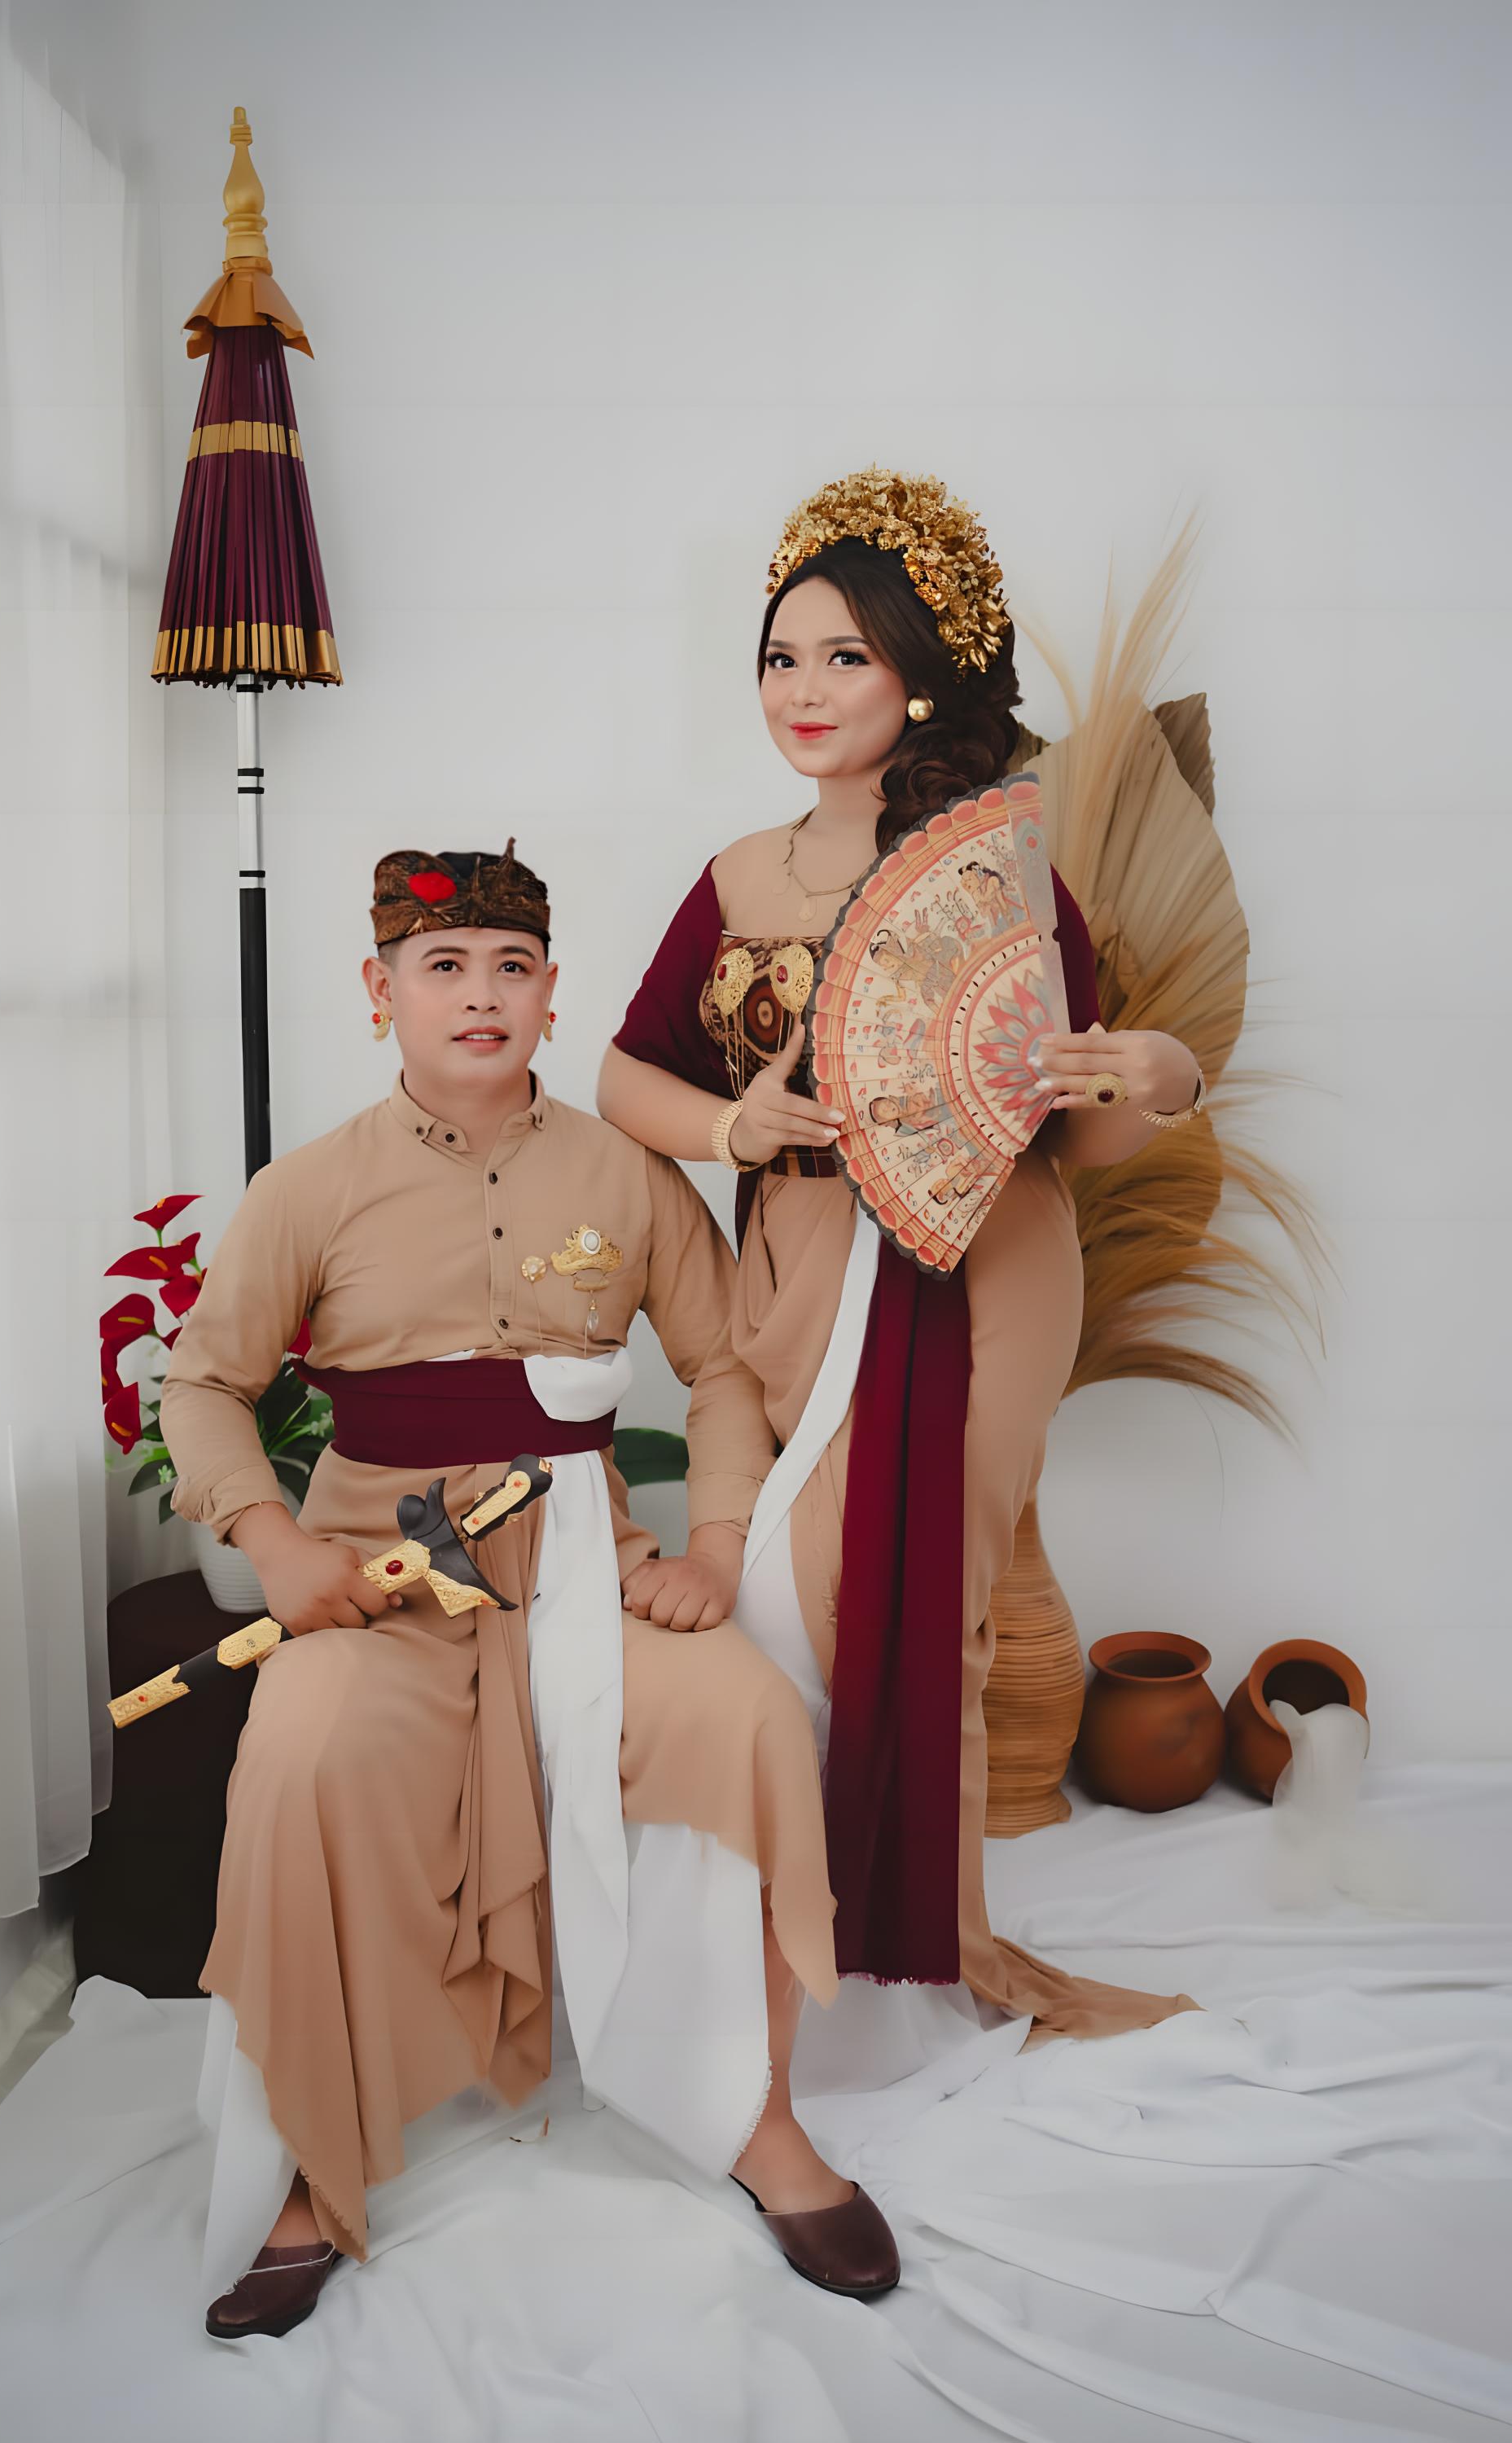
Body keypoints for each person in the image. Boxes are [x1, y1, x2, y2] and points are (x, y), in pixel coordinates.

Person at [160, 842, 901, 2341]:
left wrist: (710, 1549)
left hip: (587, 1569)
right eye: (442, 969)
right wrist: (278, 1547)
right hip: (381, 1583)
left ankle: (753, 2116)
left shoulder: (629, 1174)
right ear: (380, 992)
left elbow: (721, 1368)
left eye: (511, 969)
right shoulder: (309, 1186)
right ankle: (313, 2156)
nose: (479, 996)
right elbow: (205, 1384)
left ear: (553, 995)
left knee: (751, 1718)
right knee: (300, 1758)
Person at [599, 467, 1208, 2019]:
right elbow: (621, 1075)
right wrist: (733, 1128)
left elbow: (1072, 1123)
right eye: (779, 658)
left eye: (845, 658)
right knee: (788, 1597)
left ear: (923, 676)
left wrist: (1158, 1078)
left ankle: (915, 1966)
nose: (801, 691)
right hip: (799, 1267)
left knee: (928, 1606)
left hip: (989, 1268)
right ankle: (785, 1952)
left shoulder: (1003, 872)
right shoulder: (736, 878)